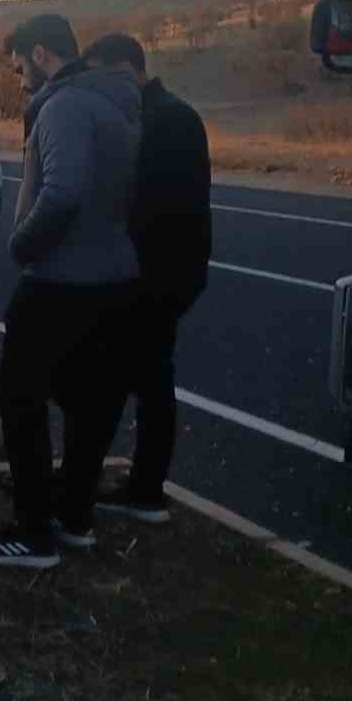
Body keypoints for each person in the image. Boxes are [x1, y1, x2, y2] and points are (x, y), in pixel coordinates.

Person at [0, 15, 141, 569]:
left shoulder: (64, 106)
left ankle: (34, 531)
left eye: (19, 66)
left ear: (42, 54)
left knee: (20, 400)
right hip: (114, 279)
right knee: (90, 403)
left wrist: (22, 244)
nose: (18, 80)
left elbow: (62, 192)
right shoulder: (118, 104)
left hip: (59, 282)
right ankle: (74, 517)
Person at [83, 33, 210, 524]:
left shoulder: (165, 120)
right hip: (158, 268)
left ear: (123, 69)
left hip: (155, 272)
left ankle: (144, 488)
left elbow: (153, 209)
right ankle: (133, 482)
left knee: (144, 377)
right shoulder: (163, 114)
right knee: (141, 375)